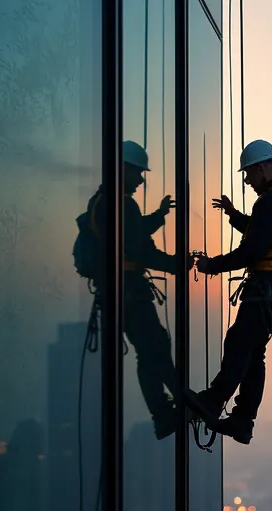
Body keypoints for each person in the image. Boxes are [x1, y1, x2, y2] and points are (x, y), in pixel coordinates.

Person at [187, 139, 272, 444]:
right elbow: (262, 232)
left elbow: (252, 250)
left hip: (268, 288)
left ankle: (214, 400)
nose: (247, 181)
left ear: (262, 168)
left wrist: (212, 266)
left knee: (240, 342)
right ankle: (242, 420)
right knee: (251, 352)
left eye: (248, 174)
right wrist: (233, 214)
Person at [78, 140, 182, 439]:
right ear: (122, 169)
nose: (140, 180)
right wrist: (177, 263)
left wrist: (159, 216)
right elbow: (140, 248)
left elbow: (132, 234)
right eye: (137, 172)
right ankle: (174, 404)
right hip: (128, 293)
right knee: (155, 346)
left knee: (149, 349)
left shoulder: (104, 201)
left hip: (117, 292)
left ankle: (164, 411)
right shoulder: (120, 204)